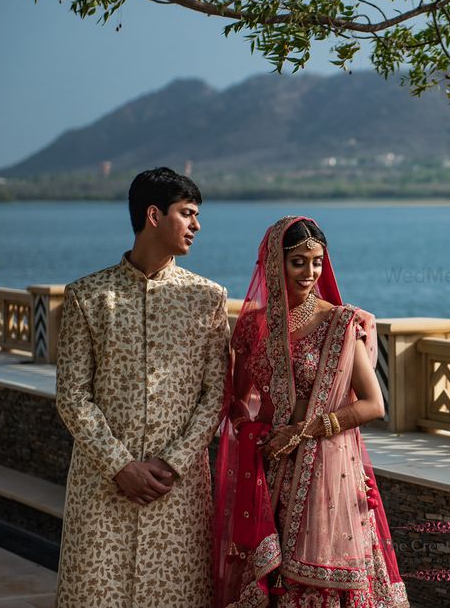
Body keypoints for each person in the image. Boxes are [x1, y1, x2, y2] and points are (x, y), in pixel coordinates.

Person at [55, 167, 230, 607]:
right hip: (102, 487)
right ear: (154, 215)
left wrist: (172, 463)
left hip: (177, 492)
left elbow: (217, 394)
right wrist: (121, 466)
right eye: (187, 214)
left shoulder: (206, 298)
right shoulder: (88, 297)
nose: (197, 226)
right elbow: (73, 396)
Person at [214, 216, 409, 608]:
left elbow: (373, 404)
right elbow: (234, 398)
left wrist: (302, 431)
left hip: (328, 471)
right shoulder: (253, 327)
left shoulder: (340, 323)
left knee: (324, 584)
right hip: (269, 470)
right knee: (273, 578)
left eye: (317, 261)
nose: (309, 272)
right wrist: (251, 431)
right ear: (274, 264)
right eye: (298, 262)